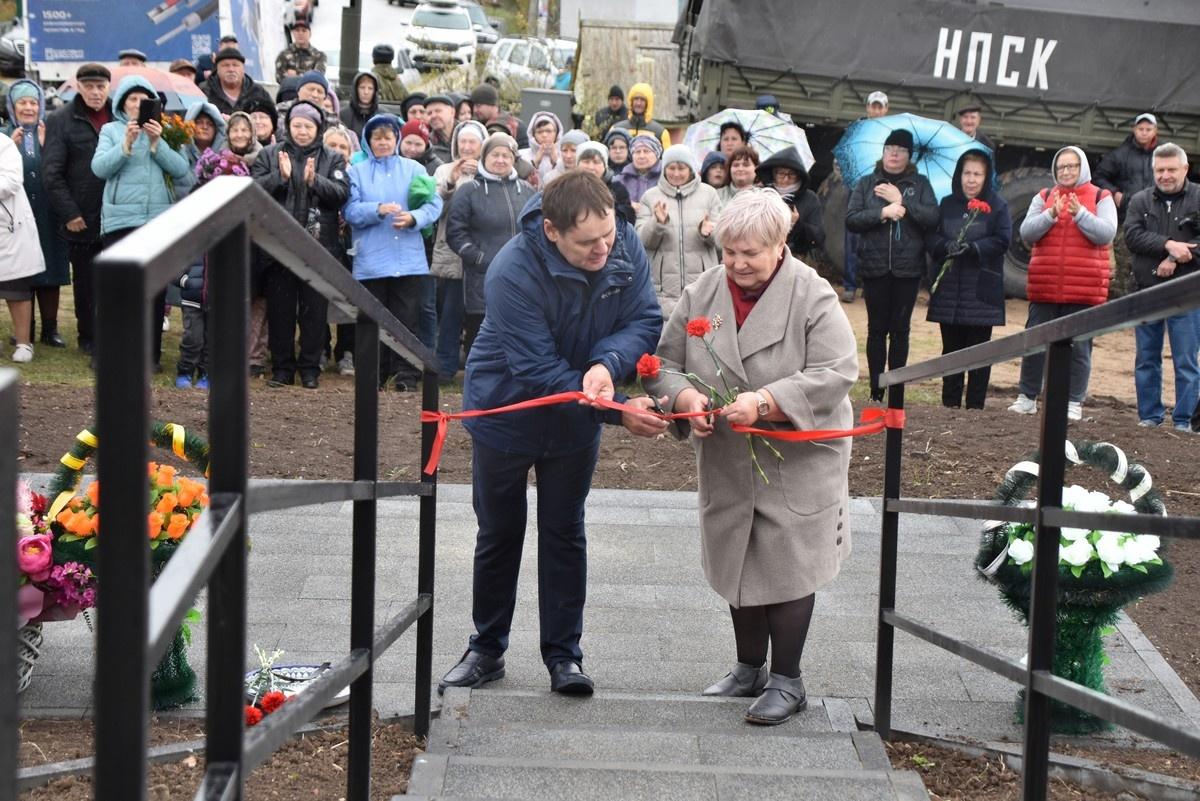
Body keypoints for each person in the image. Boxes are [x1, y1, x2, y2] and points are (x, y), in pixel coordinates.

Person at [437, 170, 663, 696]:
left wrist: (609, 362)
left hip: (577, 417)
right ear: (552, 231)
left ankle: (564, 657)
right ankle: (486, 648)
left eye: (608, 234)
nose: (604, 249)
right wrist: (618, 409)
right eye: (588, 242)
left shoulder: (622, 241)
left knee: (565, 531)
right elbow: (537, 369)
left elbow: (644, 319)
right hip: (507, 411)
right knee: (499, 532)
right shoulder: (511, 271)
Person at [643, 188, 858, 725]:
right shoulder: (703, 291)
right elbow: (662, 364)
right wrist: (683, 397)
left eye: (750, 253)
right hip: (728, 453)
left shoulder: (813, 294)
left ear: (780, 244)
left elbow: (837, 371)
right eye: (729, 252)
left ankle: (789, 679)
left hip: (796, 456)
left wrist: (766, 402)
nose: (737, 263)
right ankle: (748, 669)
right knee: (738, 553)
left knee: (787, 561)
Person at [1008, 147, 1117, 420]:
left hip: (1084, 291)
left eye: (1072, 166)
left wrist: (1080, 213)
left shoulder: (1101, 197)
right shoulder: (1043, 196)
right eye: (1062, 167)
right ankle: (1027, 397)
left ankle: (1073, 402)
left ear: (1083, 169)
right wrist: (1051, 214)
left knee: (1079, 349)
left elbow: (1106, 233)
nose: (1066, 171)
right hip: (1045, 288)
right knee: (1034, 344)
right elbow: (1027, 232)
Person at [91, 75, 191, 370]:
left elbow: (181, 168)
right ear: (122, 103)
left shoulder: (166, 130)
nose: (137, 104)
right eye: (132, 99)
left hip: (156, 220)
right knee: (116, 290)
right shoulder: (111, 130)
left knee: (153, 290)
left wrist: (157, 143)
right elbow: (99, 168)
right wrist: (126, 144)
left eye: (144, 99)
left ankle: (150, 357)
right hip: (120, 218)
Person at [251, 101, 351, 389]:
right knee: (281, 312)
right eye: (297, 125)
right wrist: (279, 177)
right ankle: (282, 369)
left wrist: (314, 181)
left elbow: (341, 193)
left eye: (308, 126)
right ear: (288, 126)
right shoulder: (269, 155)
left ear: (317, 128)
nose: (303, 131)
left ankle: (310, 370)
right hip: (278, 247)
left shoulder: (332, 158)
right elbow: (254, 190)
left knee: (314, 314)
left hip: (318, 248)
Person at [344, 114, 443, 391]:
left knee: (406, 320)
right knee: (372, 319)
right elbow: (350, 211)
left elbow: (434, 205)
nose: (383, 142)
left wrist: (414, 218)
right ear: (368, 141)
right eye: (377, 138)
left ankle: (406, 376)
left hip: (408, 260)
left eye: (388, 137)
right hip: (371, 260)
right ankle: (372, 374)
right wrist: (376, 210)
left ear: (396, 139)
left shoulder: (414, 169)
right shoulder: (356, 171)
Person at [845, 128, 939, 401]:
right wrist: (882, 212)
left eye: (899, 150)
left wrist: (903, 201)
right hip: (874, 268)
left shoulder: (920, 184)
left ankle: (897, 388)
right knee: (876, 330)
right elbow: (852, 219)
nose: (893, 154)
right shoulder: (866, 183)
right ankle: (876, 388)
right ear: (883, 152)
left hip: (907, 269)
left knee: (900, 331)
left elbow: (932, 218)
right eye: (889, 148)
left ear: (909, 156)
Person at [924, 149, 1011, 409]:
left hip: (981, 292)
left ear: (986, 178)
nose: (971, 180)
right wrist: (944, 246)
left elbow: (1003, 240)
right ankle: (949, 405)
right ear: (959, 175)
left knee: (979, 354)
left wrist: (974, 249)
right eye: (967, 173)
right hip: (950, 291)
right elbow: (931, 237)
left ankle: (975, 407)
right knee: (950, 351)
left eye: (977, 174)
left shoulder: (998, 206)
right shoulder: (947, 203)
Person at [1123, 143, 1200, 431]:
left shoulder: (1199, 199)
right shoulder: (1140, 201)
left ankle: (1184, 421)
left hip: (1187, 294)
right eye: (1160, 170)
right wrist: (1168, 245)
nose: (1165, 175)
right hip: (1147, 290)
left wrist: (1174, 258)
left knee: (1186, 360)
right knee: (1146, 358)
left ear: (1185, 169)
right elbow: (1132, 236)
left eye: (1171, 169)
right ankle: (1150, 416)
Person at [42, 63, 112, 354]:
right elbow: (51, 172)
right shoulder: (61, 119)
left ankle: (115, 334)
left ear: (109, 87)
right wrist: (69, 212)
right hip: (81, 215)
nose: (95, 92)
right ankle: (89, 337)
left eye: (101, 86)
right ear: (78, 87)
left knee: (117, 280)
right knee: (86, 283)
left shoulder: (119, 114)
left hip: (116, 212)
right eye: (89, 86)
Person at [446, 132, 533, 359]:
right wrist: (479, 259)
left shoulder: (527, 191)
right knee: (482, 338)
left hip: (521, 278)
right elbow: (455, 233)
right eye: (495, 154)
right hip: (482, 277)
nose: (501, 160)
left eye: (506, 155)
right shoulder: (469, 190)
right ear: (484, 157)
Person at [5, 80, 69, 349]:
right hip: (17, 215)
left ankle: (50, 328)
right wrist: (10, 145)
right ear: (13, 107)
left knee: (51, 266)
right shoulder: (4, 136)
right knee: (23, 270)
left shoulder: (51, 132)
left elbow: (62, 167)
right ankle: (25, 329)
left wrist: (46, 146)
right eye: (23, 103)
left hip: (48, 210)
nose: (29, 108)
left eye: (33, 102)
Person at [430, 120, 487, 382]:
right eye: (462, 141)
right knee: (449, 312)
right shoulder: (443, 170)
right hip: (450, 251)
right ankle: (444, 367)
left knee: (479, 315)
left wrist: (482, 174)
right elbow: (433, 210)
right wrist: (451, 183)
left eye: (471, 142)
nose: (466, 147)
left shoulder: (489, 170)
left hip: (480, 253)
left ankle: (477, 367)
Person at [636, 145, 721, 318]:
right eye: (671, 168)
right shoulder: (650, 196)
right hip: (663, 289)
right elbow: (642, 241)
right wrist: (657, 223)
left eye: (681, 168)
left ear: (690, 170)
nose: (676, 173)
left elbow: (722, 240)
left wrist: (707, 232)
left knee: (701, 335)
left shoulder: (709, 194)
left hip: (702, 283)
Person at [0, 131, 46, 363]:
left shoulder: (4, 144)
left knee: (16, 289)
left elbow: (11, 181)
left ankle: (23, 343)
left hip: (8, 228)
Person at [756, 146, 824, 259]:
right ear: (773, 173)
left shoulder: (810, 198)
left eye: (791, 174)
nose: (786, 179)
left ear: (799, 175)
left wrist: (796, 224)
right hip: (762, 256)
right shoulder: (762, 194)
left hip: (798, 258)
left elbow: (818, 237)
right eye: (781, 173)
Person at [1095, 113, 1158, 222]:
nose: (1144, 133)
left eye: (1148, 129)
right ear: (1134, 129)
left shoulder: (1163, 155)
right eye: (1141, 129)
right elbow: (1098, 177)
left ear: (1155, 131)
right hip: (1127, 216)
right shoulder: (1120, 154)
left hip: (1156, 215)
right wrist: (1114, 193)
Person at [577, 141, 635, 225]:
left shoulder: (617, 190)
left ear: (605, 166)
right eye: (586, 162)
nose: (591, 167)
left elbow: (627, 219)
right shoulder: (566, 188)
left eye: (596, 162)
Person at [203, 48, 274, 117]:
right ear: (217, 69)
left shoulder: (258, 92)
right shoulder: (205, 91)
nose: (231, 69)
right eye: (225, 65)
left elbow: (272, 118)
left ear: (243, 69)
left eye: (235, 65)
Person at [609, 82, 671, 149]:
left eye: (642, 100)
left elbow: (667, 158)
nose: (638, 103)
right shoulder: (616, 129)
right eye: (636, 99)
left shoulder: (660, 132)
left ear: (648, 103)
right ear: (631, 102)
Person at [615, 135, 662, 206]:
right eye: (637, 152)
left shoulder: (667, 177)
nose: (641, 156)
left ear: (657, 154)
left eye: (646, 151)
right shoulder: (620, 180)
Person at [275, 19, 327, 83]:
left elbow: (317, 77)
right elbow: (279, 78)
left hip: (310, 92)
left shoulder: (319, 56)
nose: (300, 33)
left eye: (304, 31)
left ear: (310, 34)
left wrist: (295, 74)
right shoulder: (283, 55)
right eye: (297, 30)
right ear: (293, 33)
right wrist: (307, 74)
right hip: (289, 91)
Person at [520, 111, 563, 184]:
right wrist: (534, 163)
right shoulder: (522, 155)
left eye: (549, 131)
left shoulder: (565, 155)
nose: (544, 135)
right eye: (539, 132)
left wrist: (556, 162)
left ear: (557, 133)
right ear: (533, 134)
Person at [340, 72, 380, 139]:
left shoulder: (382, 115)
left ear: (375, 91)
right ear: (356, 89)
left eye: (370, 88)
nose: (366, 92)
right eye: (362, 87)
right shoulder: (344, 114)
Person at [424, 94, 455, 162]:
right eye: (429, 113)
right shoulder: (427, 144)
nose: (433, 116)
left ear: (452, 112)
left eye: (438, 111)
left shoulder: (469, 134)